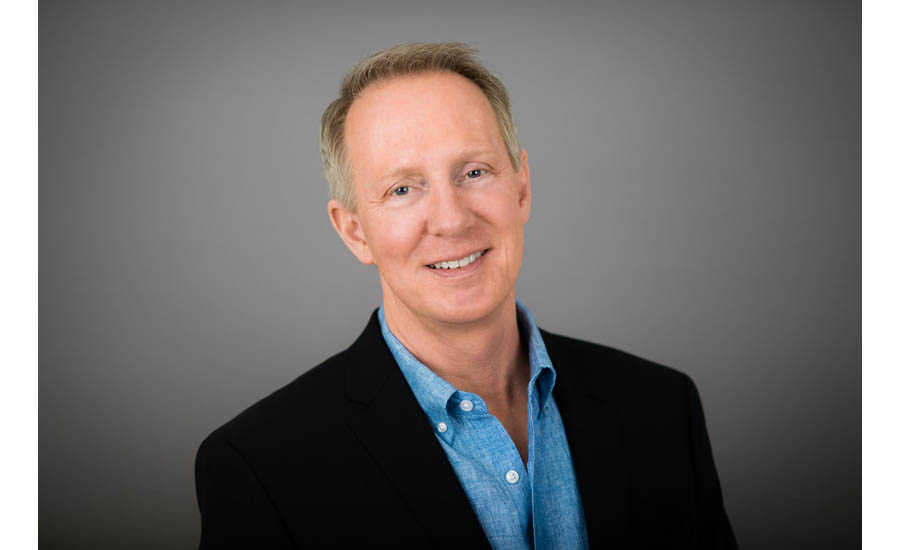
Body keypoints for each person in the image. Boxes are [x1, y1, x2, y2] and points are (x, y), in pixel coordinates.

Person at [195, 42, 738, 549]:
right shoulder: (260, 467)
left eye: (474, 171)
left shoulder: (662, 409)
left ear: (521, 187)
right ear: (355, 231)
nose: (452, 220)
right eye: (402, 189)